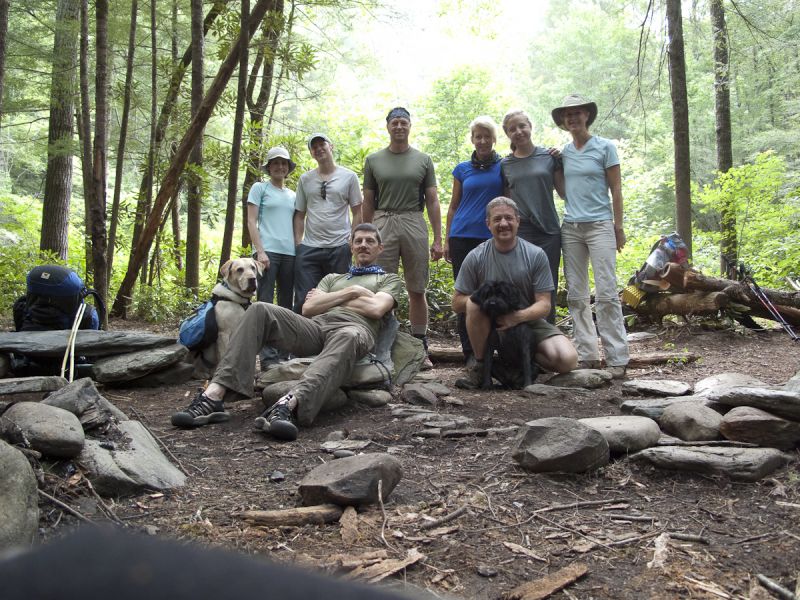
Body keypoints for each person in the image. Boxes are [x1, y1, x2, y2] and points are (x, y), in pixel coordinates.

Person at [171, 223, 404, 442]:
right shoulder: (334, 278)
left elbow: (376, 308)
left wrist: (330, 301)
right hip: (315, 329)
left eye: (370, 241)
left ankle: (289, 404)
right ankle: (214, 395)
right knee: (260, 308)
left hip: (354, 329)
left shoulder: (388, 279)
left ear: (379, 248)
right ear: (351, 246)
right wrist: (353, 291)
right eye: (359, 240)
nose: (364, 244)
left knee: (348, 336)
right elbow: (309, 308)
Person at [452, 197, 577, 388]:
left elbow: (544, 304)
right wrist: (485, 299)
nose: (503, 224)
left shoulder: (535, 254)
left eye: (509, 218)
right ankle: (480, 366)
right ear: (488, 224)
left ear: (518, 221)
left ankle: (525, 361)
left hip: (527, 320)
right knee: (472, 303)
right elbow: (457, 302)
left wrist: (516, 317)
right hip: (488, 321)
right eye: (497, 219)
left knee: (567, 360)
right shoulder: (476, 256)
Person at [551, 94, 629, 378]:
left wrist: (618, 227)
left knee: (607, 293)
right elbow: (563, 193)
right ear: (563, 120)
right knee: (577, 294)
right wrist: (556, 166)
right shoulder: (564, 152)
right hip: (571, 227)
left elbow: (616, 190)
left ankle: (618, 358)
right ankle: (587, 356)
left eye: (577, 113)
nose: (572, 118)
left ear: (586, 116)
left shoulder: (605, 147)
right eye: (567, 115)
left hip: (600, 226)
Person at [362, 107, 443, 367]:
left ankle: (420, 346)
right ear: (388, 126)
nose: (399, 126)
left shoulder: (423, 159)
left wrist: (439, 238)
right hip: (382, 221)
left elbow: (432, 200)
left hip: (413, 220)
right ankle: (384, 344)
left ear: (410, 126)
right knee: (382, 287)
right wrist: (364, 233)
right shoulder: (374, 160)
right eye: (394, 122)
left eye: (403, 122)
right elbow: (368, 200)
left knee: (417, 288)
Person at [444, 116, 504, 366]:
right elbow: (453, 206)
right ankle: (470, 353)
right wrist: (447, 239)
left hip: (490, 237)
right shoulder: (462, 169)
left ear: (493, 139)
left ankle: (491, 350)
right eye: (478, 136)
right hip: (462, 236)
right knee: (464, 293)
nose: (482, 141)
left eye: (486, 136)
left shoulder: (504, 166)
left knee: (492, 292)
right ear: (472, 139)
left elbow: (508, 202)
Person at [500, 109, 564, 323]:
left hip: (549, 230)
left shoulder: (549, 156)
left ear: (530, 127)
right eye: (512, 129)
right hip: (523, 231)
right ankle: (525, 333)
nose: (518, 132)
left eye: (522, 126)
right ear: (507, 134)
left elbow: (564, 192)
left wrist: (564, 160)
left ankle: (549, 333)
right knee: (521, 281)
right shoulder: (506, 164)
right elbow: (506, 201)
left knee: (548, 284)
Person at [292, 133, 363, 313]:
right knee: (304, 299)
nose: (319, 149)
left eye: (322, 144)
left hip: (339, 247)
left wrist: (352, 242)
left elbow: (357, 212)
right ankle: (302, 338)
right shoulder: (305, 179)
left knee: (337, 298)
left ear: (331, 147)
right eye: (314, 147)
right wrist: (298, 245)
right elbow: (299, 215)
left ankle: (332, 337)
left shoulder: (349, 177)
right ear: (311, 153)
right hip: (309, 248)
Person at [246, 146, 297, 310]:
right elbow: (251, 221)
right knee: (265, 299)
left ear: (288, 168)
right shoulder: (259, 188)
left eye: (284, 163)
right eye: (275, 163)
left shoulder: (293, 195)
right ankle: (264, 334)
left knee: (286, 300)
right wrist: (260, 251)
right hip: (267, 251)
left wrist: (299, 249)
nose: (280, 167)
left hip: (290, 253)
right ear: (269, 167)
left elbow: (297, 224)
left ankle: (284, 335)